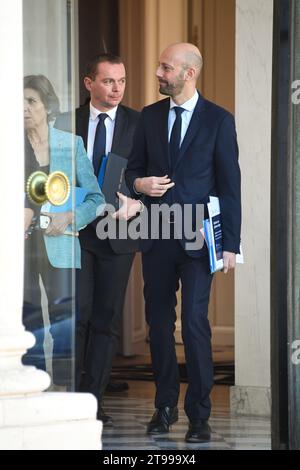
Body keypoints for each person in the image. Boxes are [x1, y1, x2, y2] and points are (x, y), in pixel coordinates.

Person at [126, 43, 241, 443]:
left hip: (198, 241)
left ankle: (199, 415)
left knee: (193, 325)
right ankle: (165, 408)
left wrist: (230, 244)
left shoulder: (219, 121)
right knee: (158, 326)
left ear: (189, 73)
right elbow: (132, 171)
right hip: (156, 237)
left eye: (165, 67)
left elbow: (230, 186)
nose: (158, 72)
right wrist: (139, 184)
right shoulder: (149, 117)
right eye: (160, 65)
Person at [55, 53, 140, 423]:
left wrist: (136, 200)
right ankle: (72, 396)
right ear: (89, 83)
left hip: (118, 232)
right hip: (75, 232)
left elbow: (149, 172)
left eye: (121, 80)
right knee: (78, 316)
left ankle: (94, 399)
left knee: (106, 319)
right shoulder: (65, 122)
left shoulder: (139, 123)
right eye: (108, 81)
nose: (117, 88)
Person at [23, 74, 104, 388]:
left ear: (47, 106)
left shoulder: (70, 145)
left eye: (31, 101)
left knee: (63, 320)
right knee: (26, 317)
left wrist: (71, 216)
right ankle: (32, 388)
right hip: (22, 247)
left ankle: (63, 390)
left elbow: (97, 199)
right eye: (20, 101)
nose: (24, 108)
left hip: (61, 244)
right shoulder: (9, 144)